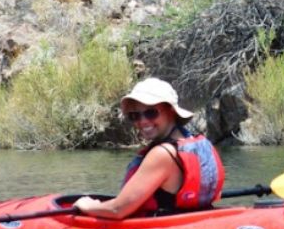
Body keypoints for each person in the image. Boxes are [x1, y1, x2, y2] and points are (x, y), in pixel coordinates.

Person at [74, 78, 225, 219]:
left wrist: (89, 207)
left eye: (151, 112)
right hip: (195, 223)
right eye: (135, 116)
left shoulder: (162, 154)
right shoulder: (192, 142)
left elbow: (117, 210)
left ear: (170, 111)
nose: (143, 121)